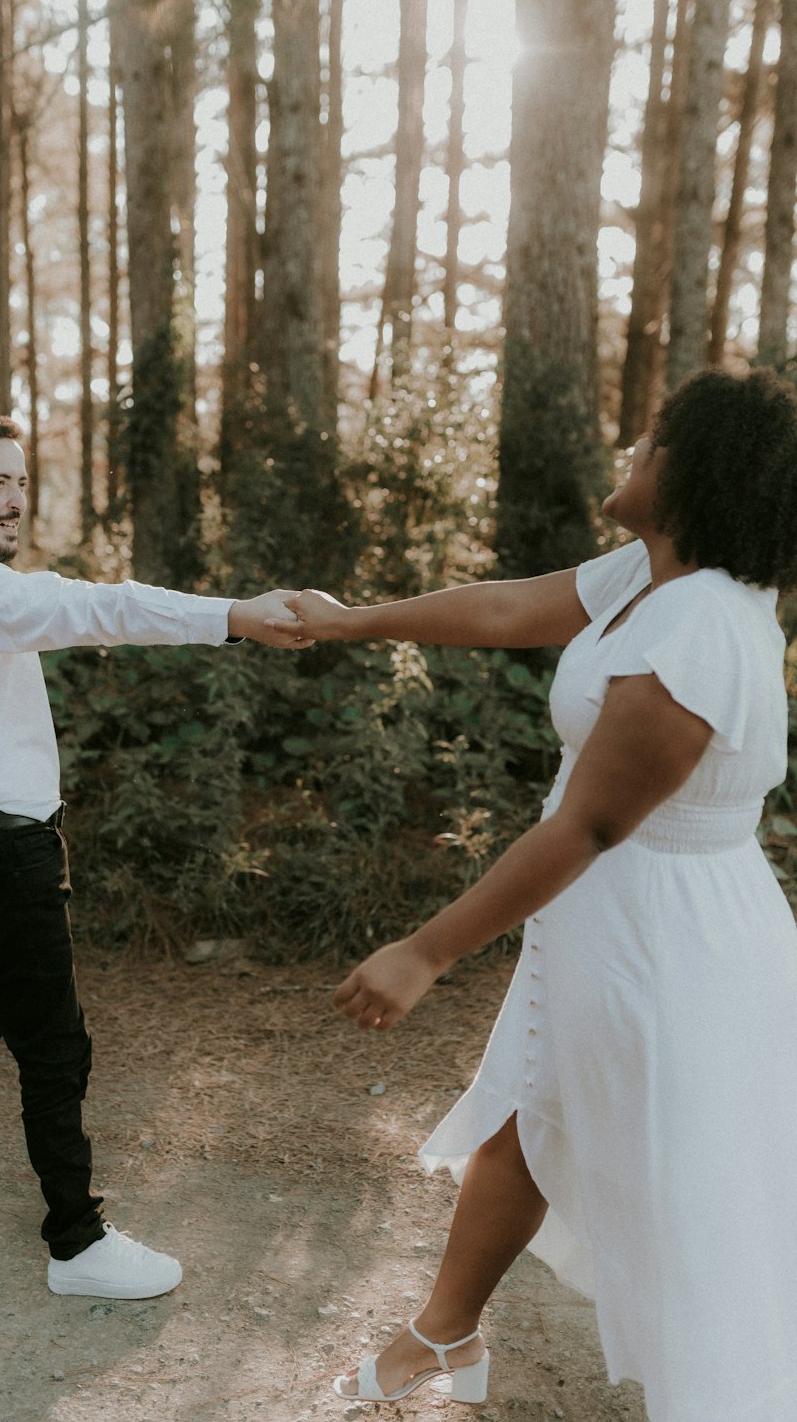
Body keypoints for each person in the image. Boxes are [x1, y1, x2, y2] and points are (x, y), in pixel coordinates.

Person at [274, 367, 797, 1422]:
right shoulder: (651, 581)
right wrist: (348, 623)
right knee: (526, 1111)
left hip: (667, 939)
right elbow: (513, 605)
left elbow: (590, 826)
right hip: (609, 917)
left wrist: (425, 950)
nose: (629, 453)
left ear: (691, 479)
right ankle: (443, 1335)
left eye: (650, 443)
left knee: (685, 1188)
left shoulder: (700, 622)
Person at [0, 415, 311, 1301]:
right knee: (55, 1047)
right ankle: (76, 1242)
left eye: (19, 482)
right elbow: (96, 605)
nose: (14, 500)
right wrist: (234, 616)